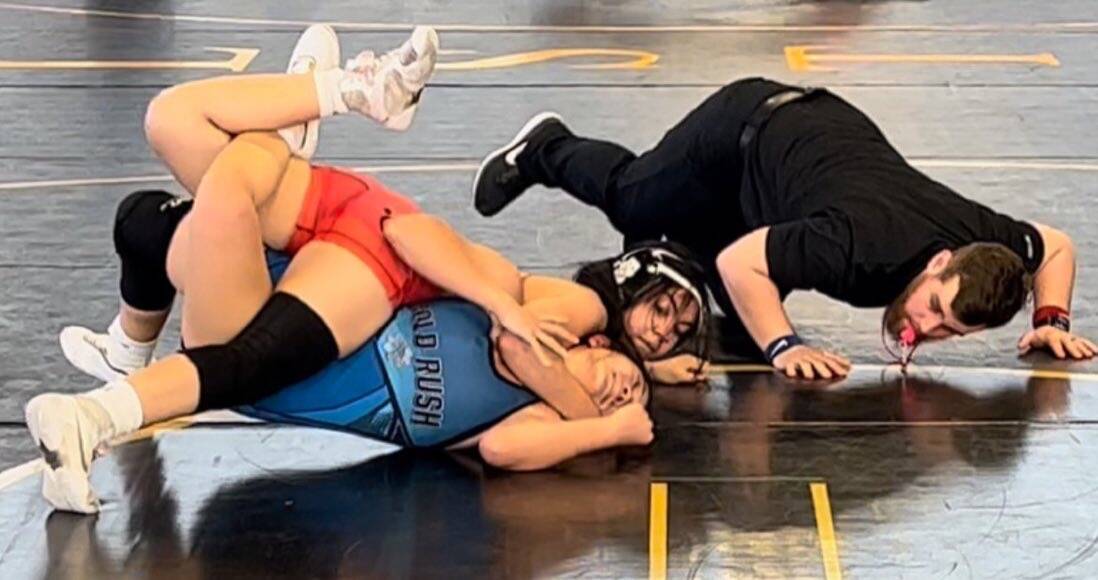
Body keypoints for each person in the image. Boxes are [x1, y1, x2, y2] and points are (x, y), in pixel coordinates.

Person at [23, 24, 651, 514]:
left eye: (638, 389)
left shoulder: (535, 419)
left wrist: (611, 429)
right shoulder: (551, 319)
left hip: (276, 309)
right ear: (597, 341)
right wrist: (516, 315)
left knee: (165, 191)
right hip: (351, 259)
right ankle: (335, 98)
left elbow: (504, 449)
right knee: (180, 139)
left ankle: (320, 103)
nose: (627, 388)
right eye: (629, 375)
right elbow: (514, 334)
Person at [472, 78, 1096, 379]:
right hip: (741, 132)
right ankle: (546, 148)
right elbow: (740, 264)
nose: (925, 326)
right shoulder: (855, 248)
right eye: (934, 306)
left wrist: (1050, 323)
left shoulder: (984, 241)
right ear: (939, 264)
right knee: (633, 200)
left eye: (947, 328)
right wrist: (786, 347)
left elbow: (1056, 247)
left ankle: (678, 252)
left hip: (789, 183)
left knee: (730, 314)